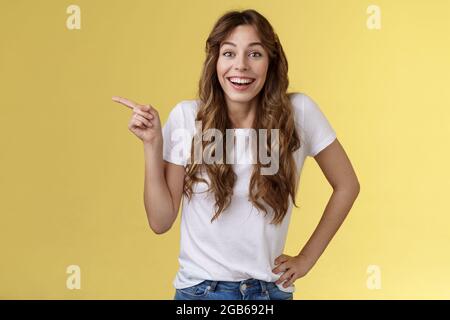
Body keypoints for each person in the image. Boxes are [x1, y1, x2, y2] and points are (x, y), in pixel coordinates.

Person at [112, 9, 360, 300]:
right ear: (215, 61)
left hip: (270, 292)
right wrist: (152, 145)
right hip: (201, 292)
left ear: (271, 61)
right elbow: (160, 221)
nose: (240, 66)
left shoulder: (299, 113)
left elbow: (347, 185)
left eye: (254, 54)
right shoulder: (186, 117)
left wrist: (307, 258)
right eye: (229, 53)